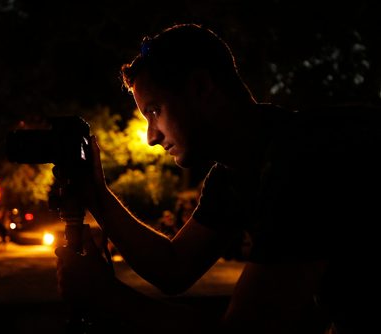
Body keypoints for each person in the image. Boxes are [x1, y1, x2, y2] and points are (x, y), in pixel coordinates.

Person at [55, 23, 380, 334]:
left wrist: (106, 296)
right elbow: (174, 267)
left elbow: (249, 332)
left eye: (154, 111)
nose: (152, 136)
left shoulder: (301, 161)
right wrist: (96, 194)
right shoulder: (236, 171)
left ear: (200, 87)